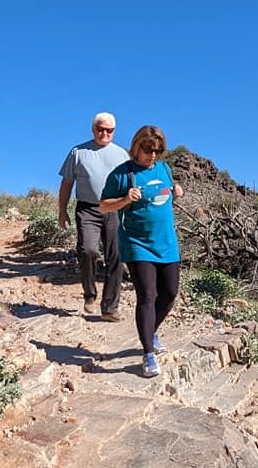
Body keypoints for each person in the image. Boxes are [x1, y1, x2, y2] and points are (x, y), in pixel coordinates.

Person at [99, 125, 183, 377]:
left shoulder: (164, 170)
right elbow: (103, 206)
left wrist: (177, 192)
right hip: (137, 243)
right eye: (148, 150)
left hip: (167, 243)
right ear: (137, 147)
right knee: (147, 295)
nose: (153, 155)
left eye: (158, 150)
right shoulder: (122, 174)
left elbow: (165, 195)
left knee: (169, 294)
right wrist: (125, 199)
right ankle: (147, 354)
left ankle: (151, 331)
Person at [58, 112, 129, 321]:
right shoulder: (78, 152)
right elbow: (67, 183)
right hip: (87, 209)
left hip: (115, 209)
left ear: (114, 132)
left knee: (116, 256)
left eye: (109, 130)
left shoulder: (121, 155)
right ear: (93, 129)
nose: (104, 133)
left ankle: (110, 307)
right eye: (100, 129)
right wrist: (61, 211)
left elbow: (131, 184)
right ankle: (89, 294)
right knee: (88, 250)